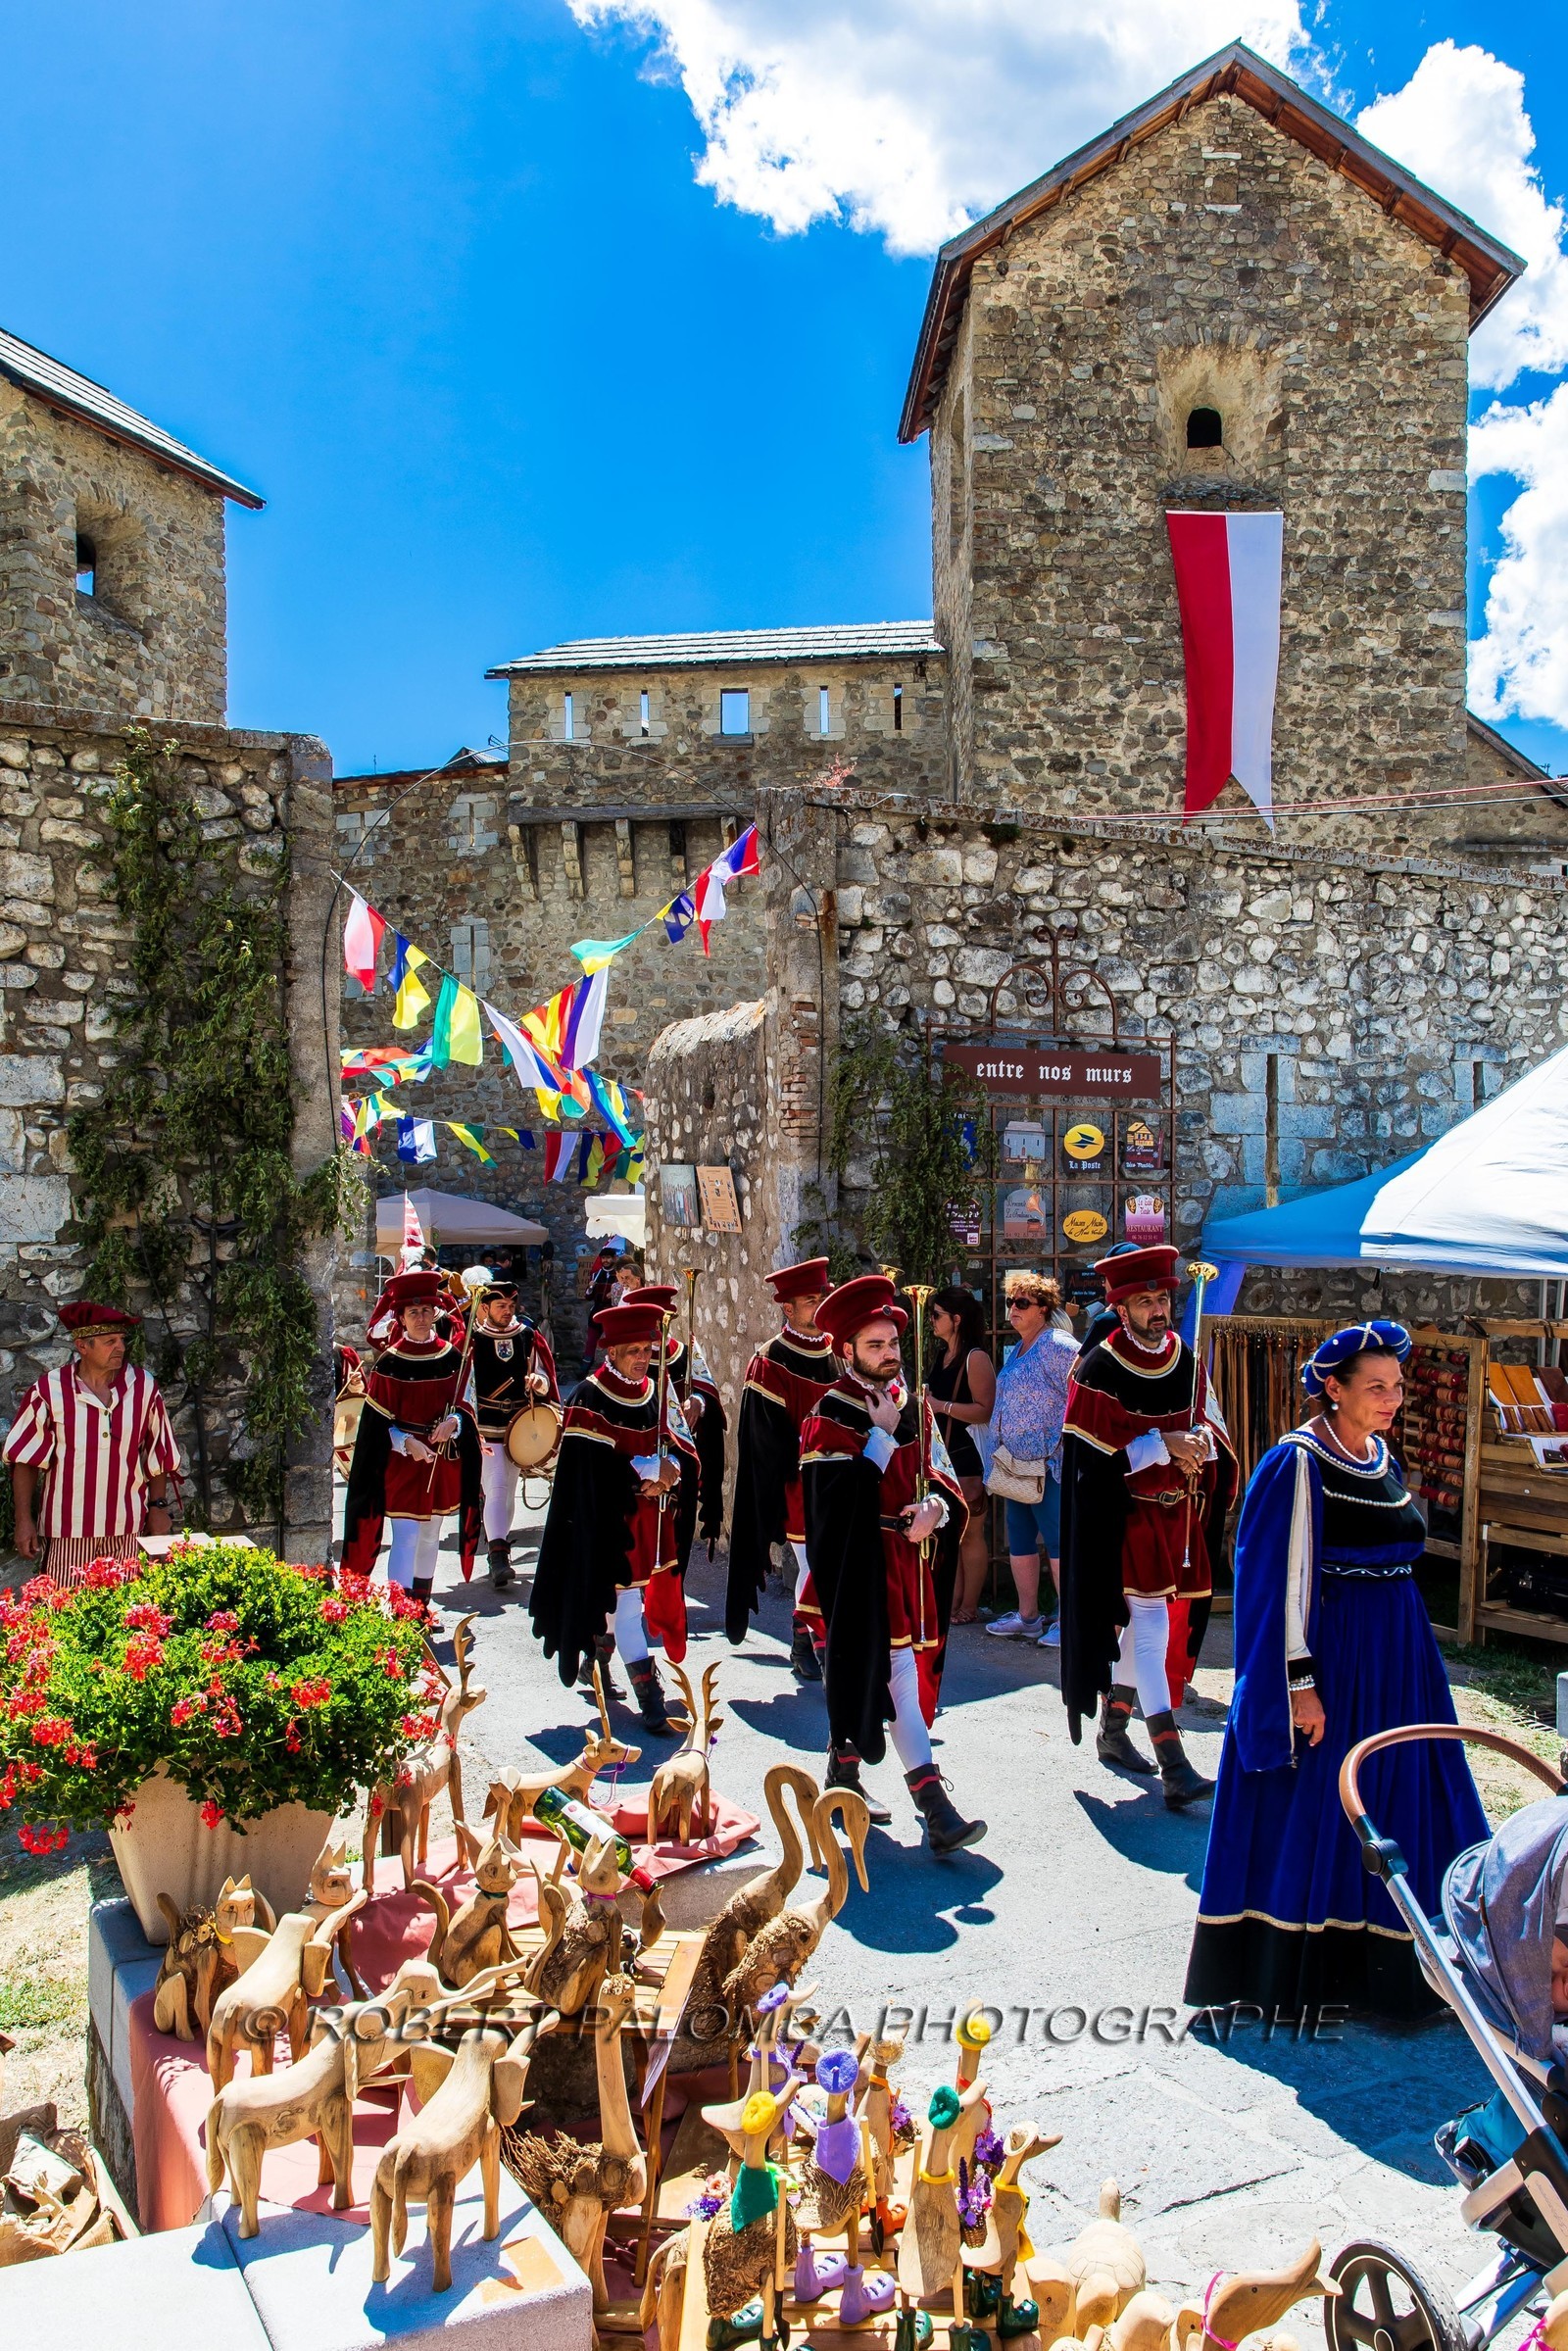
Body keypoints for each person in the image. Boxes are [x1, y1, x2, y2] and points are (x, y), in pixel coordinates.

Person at [1186, 1320, 1488, 2019]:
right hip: (1338, 1662)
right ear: (1333, 1387)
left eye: (1398, 1386)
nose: (1392, 1398)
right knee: (1327, 1804)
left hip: (1401, 1658)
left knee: (1403, 1795)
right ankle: (1304, 1971)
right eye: (1376, 1387)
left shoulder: (1381, 1456)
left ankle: (1404, 1967)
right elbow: (1268, 1580)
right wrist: (1298, 1685)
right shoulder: (1296, 1461)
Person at [801, 1272, 984, 1855]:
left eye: (893, 1344)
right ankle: (934, 1808)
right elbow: (832, 1507)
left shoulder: (913, 1403)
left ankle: (844, 1777)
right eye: (874, 1345)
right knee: (882, 1673)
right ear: (846, 1350)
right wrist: (878, 1440)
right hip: (854, 1568)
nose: (887, 1355)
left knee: (885, 1673)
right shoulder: (827, 1414)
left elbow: (940, 1473)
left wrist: (934, 1505)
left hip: (904, 1566)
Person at [1058, 1245, 1237, 1808]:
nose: (1158, 1310)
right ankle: (1172, 1759)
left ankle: (1115, 1728)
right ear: (1122, 1305)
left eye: (1162, 1299)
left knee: (1147, 1626)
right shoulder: (1099, 1368)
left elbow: (1209, 1423)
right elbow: (1088, 1462)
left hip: (1179, 1513)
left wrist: (1203, 1448)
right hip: (1125, 1517)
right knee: (1154, 1623)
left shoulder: (1187, 1360)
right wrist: (1162, 1444)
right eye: (1145, 1302)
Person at [529, 1298, 697, 1735]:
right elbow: (587, 1469)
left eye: (647, 1350)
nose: (643, 1359)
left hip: (648, 1520)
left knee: (620, 1599)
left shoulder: (655, 1392)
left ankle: (596, 1664)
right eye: (633, 1352)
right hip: (607, 1522)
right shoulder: (589, 1395)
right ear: (612, 1353)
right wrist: (642, 1471)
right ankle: (651, 1703)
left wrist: (673, 1469)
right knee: (627, 1605)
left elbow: (678, 1441)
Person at [3, 1301, 181, 1591]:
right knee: (63, 1613)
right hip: (68, 1530)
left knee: (126, 1614)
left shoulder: (143, 1386)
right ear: (82, 1346)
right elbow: (27, 1459)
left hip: (126, 1527)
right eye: (109, 1341)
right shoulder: (50, 1389)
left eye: (122, 1340)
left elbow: (157, 1450)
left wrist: (158, 1506)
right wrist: (24, 1519)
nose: (120, 1348)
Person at [726, 1257, 840, 1681]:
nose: (819, 1306)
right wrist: (813, 1458)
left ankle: (806, 1641)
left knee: (832, 1566)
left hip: (843, 1481)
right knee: (814, 1566)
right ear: (787, 1309)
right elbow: (765, 1440)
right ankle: (815, 1648)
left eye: (822, 1297)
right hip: (800, 1484)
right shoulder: (770, 1359)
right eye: (811, 1300)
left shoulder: (839, 1347)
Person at [341, 1268, 483, 1600]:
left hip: (441, 1460)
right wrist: (407, 1443)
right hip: (404, 1462)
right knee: (406, 1534)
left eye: (426, 1311)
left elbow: (467, 1405)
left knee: (431, 1534)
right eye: (413, 1312)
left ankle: (420, 1606)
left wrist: (455, 1425)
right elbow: (376, 1425)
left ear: (435, 1313)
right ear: (401, 1318)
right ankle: (401, 1613)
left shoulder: (452, 1358)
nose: (421, 1318)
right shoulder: (390, 1363)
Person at [984, 1272, 1078, 1647]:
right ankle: (1028, 1617)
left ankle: (1069, 1621)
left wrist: (1061, 1439)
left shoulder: (1056, 1344)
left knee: (1057, 1540)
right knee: (1020, 1539)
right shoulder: (1020, 1348)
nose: (1013, 1309)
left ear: (1044, 1308)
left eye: (1022, 1303)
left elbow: (1084, 1388)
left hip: (1049, 1462)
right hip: (1015, 1465)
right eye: (1011, 1302)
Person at [620, 1283, 728, 1574]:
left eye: (666, 1319)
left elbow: (708, 1389)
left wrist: (697, 1402)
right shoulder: (630, 1357)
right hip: (645, 1455)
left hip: (682, 1453)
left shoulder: (685, 1351)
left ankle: (673, 1588)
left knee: (680, 1526)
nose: (661, 1328)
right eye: (656, 1321)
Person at [467, 1275, 559, 1592]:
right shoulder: (473, 1340)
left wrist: (539, 1382)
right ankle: (497, 1554)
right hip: (486, 1426)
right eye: (500, 1306)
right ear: (486, 1308)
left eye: (510, 1305)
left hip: (519, 1427)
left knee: (505, 1489)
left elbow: (546, 1377)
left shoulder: (528, 1336)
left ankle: (499, 1546)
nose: (507, 1311)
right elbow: (466, 1387)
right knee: (497, 1485)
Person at [926, 1287, 997, 1627]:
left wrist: (941, 1406)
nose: (931, 1321)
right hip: (944, 1457)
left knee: (971, 1533)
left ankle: (969, 1605)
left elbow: (985, 1411)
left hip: (968, 1457)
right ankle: (951, 1602)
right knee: (949, 1533)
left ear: (956, 1319)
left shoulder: (975, 1357)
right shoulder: (942, 1355)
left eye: (936, 1314)